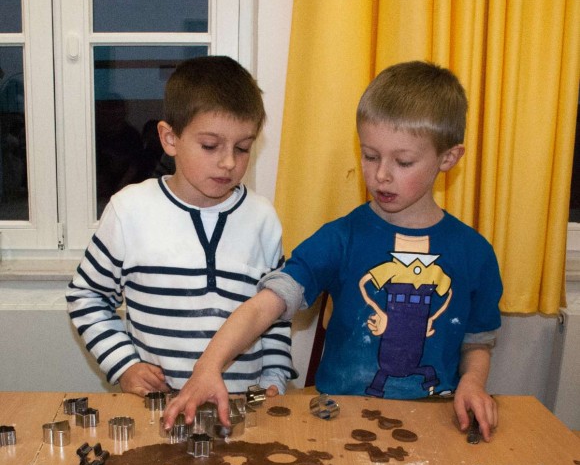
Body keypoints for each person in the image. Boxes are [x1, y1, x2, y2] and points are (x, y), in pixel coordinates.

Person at [162, 61, 503, 442]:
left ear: (448, 159)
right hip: (340, 423)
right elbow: (267, 303)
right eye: (370, 156)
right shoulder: (341, 238)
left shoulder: (475, 253)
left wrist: (473, 382)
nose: (381, 175)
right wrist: (209, 366)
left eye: (403, 161)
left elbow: (477, 340)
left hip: (435, 424)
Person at [67, 56, 296, 398]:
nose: (229, 162)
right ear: (170, 138)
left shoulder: (262, 219)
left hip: (240, 409)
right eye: (210, 146)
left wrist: (274, 377)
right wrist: (124, 365)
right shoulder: (129, 210)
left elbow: (274, 311)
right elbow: (87, 296)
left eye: (243, 148)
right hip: (156, 408)